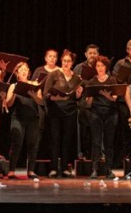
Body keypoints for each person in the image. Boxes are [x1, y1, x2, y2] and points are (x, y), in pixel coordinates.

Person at [43, 50, 82, 178]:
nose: (66, 63)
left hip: (70, 112)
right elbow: (46, 93)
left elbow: (77, 98)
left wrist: (78, 94)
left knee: (67, 140)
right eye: (64, 60)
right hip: (55, 111)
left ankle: (65, 167)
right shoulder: (54, 74)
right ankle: (54, 168)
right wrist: (56, 98)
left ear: (72, 62)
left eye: (68, 61)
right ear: (61, 61)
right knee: (55, 139)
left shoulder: (76, 77)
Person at [5, 62, 44, 179]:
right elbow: (8, 103)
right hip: (18, 118)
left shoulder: (34, 84)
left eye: (26, 69)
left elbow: (40, 102)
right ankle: (11, 170)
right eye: (21, 69)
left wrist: (34, 96)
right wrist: (14, 94)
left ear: (28, 72)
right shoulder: (13, 85)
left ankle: (31, 170)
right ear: (17, 73)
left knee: (32, 144)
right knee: (16, 143)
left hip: (33, 118)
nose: (24, 71)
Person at [84, 57, 119, 178]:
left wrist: (107, 96)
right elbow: (88, 103)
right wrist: (89, 97)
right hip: (96, 113)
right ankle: (95, 169)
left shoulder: (112, 79)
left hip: (110, 113)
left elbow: (114, 98)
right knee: (96, 142)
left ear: (106, 67)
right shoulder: (92, 81)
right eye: (98, 66)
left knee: (109, 142)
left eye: (102, 66)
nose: (100, 68)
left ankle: (108, 169)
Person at [112, 39, 131, 165]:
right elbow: (114, 79)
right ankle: (127, 157)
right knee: (126, 129)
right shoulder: (121, 63)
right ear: (127, 50)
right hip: (123, 101)